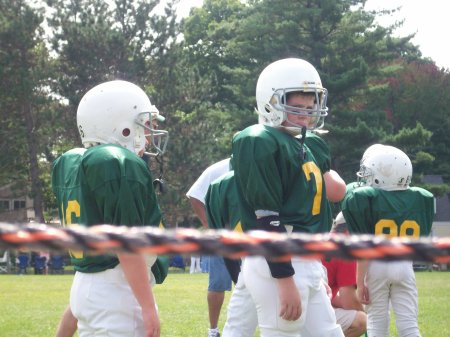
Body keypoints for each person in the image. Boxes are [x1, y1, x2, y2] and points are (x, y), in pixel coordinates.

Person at [231, 57, 346, 337]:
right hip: (281, 259)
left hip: (305, 258)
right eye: (296, 108)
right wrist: (284, 278)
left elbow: (336, 192)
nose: (305, 114)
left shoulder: (309, 143)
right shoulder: (259, 140)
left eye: (310, 107)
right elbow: (266, 218)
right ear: (271, 102)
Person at [52, 80, 169, 337]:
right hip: (118, 292)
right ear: (123, 127)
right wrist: (148, 307)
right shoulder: (116, 163)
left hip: (89, 285)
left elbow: (92, 275)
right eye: (145, 124)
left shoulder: (77, 162)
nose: (150, 133)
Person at [341, 145, 435, 337]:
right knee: (409, 323)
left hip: (377, 266)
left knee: (376, 322)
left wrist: (359, 282)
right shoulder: (417, 199)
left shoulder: (366, 199)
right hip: (405, 266)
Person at [186, 158, 233, 337]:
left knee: (252, 283)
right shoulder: (218, 168)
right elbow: (194, 194)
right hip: (220, 236)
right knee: (217, 284)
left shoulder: (255, 164)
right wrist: (208, 223)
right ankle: (213, 330)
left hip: (247, 235)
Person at [322, 212, 367, 337]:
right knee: (362, 320)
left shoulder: (326, 238)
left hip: (288, 306)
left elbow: (330, 294)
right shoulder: (347, 247)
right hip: (306, 312)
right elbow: (349, 302)